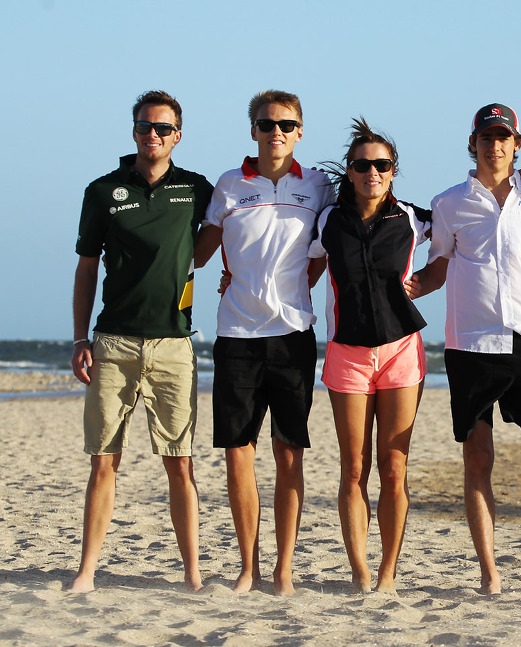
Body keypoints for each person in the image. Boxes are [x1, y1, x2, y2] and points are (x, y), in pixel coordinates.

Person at [409, 104, 521, 595]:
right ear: (474, 143)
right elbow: (436, 268)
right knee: (478, 459)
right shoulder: (449, 203)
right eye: (487, 137)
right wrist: (405, 287)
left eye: (504, 137)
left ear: (517, 144)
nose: (495, 146)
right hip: (469, 344)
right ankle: (490, 576)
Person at [69, 90, 212, 593]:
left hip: (174, 345)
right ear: (134, 131)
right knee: (104, 460)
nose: (153, 135)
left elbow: (220, 236)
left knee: (180, 462)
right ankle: (86, 571)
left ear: (179, 134)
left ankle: (193, 575)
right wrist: (78, 336)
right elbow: (87, 267)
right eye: (144, 127)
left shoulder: (196, 189)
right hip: (113, 343)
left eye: (163, 128)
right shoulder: (103, 190)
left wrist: (213, 270)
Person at [194, 90, 334, 595]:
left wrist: (299, 285)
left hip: (294, 335)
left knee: (289, 453)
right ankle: (248, 567)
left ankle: (284, 569)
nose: (276, 131)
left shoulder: (318, 186)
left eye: (286, 124)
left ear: (300, 131)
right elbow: (197, 254)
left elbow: (336, 240)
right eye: (266, 123)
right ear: (252, 129)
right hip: (236, 335)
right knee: (238, 454)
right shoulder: (230, 185)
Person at [307, 119, 431, 595]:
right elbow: (293, 259)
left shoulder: (415, 218)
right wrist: (232, 278)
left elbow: (467, 231)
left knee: (394, 466)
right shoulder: (326, 220)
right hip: (347, 353)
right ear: (351, 171)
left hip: (401, 351)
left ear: (393, 171)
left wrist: (427, 282)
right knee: (354, 467)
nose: (372, 172)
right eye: (363, 165)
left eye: (381, 165)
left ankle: (387, 574)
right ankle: (360, 570)